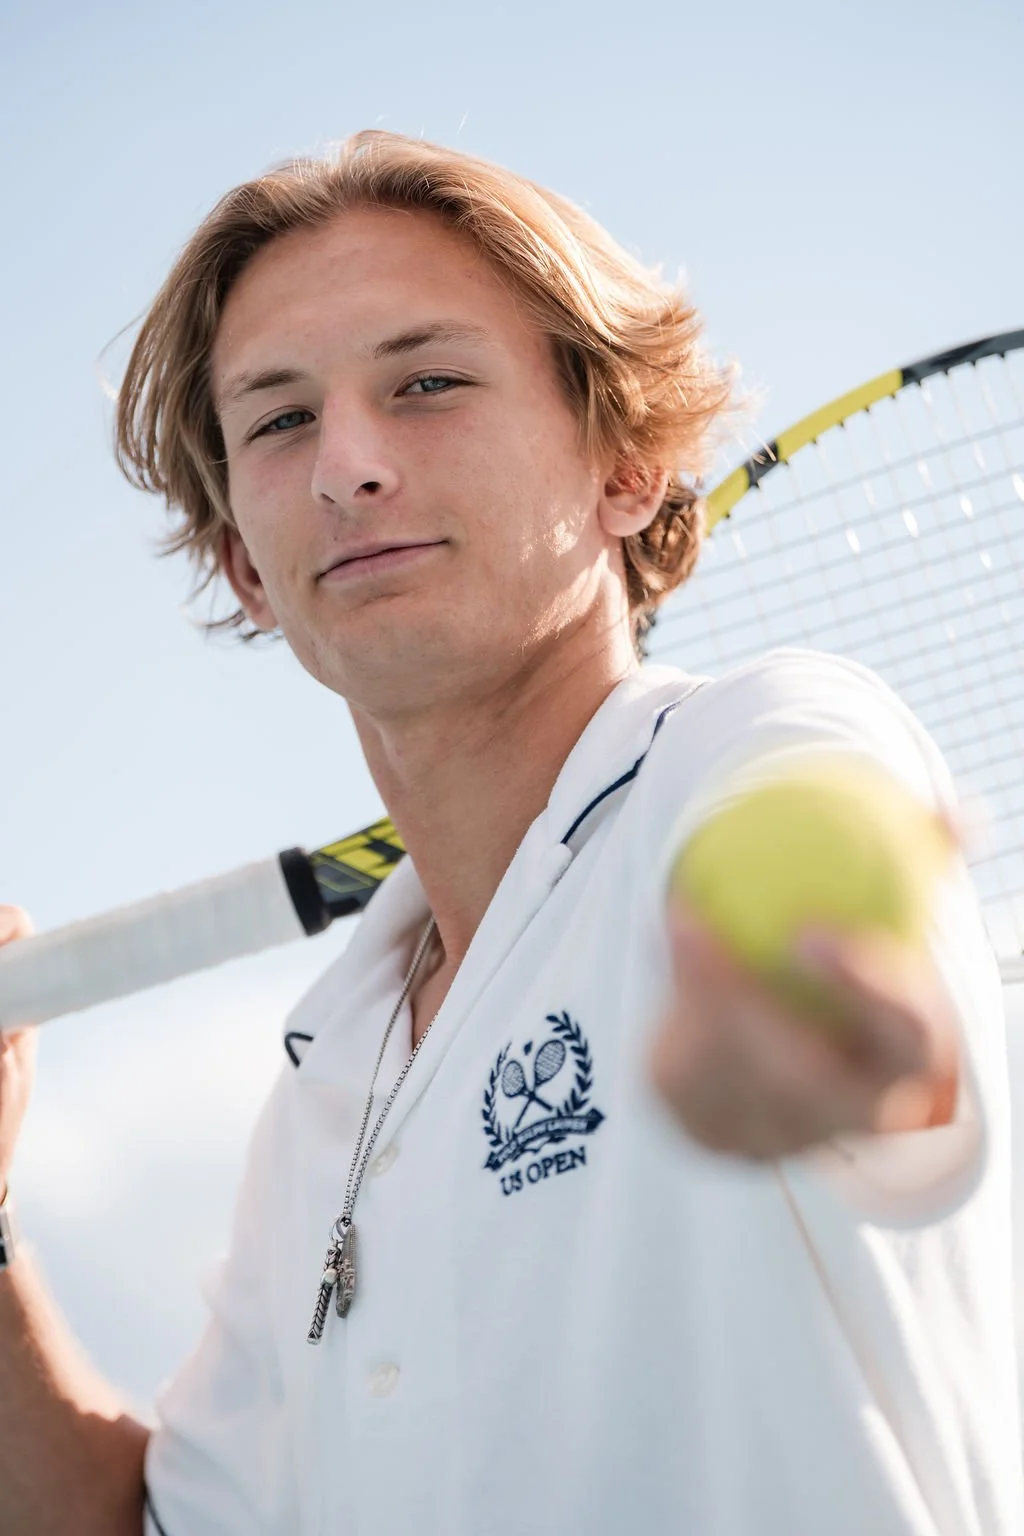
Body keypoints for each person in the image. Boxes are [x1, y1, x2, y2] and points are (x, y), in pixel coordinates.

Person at [0, 131, 1019, 1535]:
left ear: (626, 464)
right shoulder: (325, 1091)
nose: (349, 465)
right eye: (281, 420)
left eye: (427, 384)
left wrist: (810, 1016)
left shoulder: (763, 744)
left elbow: (837, 951)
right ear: (243, 557)